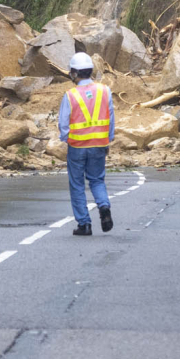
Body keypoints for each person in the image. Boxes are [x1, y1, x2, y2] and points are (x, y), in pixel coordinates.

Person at [58, 51, 115, 236]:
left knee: (77, 184)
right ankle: (104, 206)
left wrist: (67, 139)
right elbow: (111, 118)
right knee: (97, 180)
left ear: (74, 73)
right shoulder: (105, 90)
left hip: (77, 147)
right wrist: (108, 139)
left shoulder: (70, 95)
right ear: (90, 70)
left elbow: (63, 124)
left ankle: (84, 224)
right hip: (99, 144)